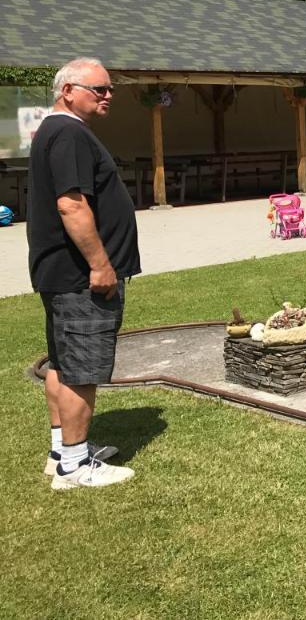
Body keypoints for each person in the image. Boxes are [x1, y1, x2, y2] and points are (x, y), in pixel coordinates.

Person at [28, 58, 140, 490]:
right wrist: (100, 263)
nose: (108, 96)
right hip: (79, 278)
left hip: (60, 274)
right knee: (82, 369)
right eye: (100, 89)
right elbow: (71, 204)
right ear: (69, 90)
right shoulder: (69, 133)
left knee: (61, 362)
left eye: (110, 89)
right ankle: (74, 468)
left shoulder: (54, 131)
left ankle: (62, 451)